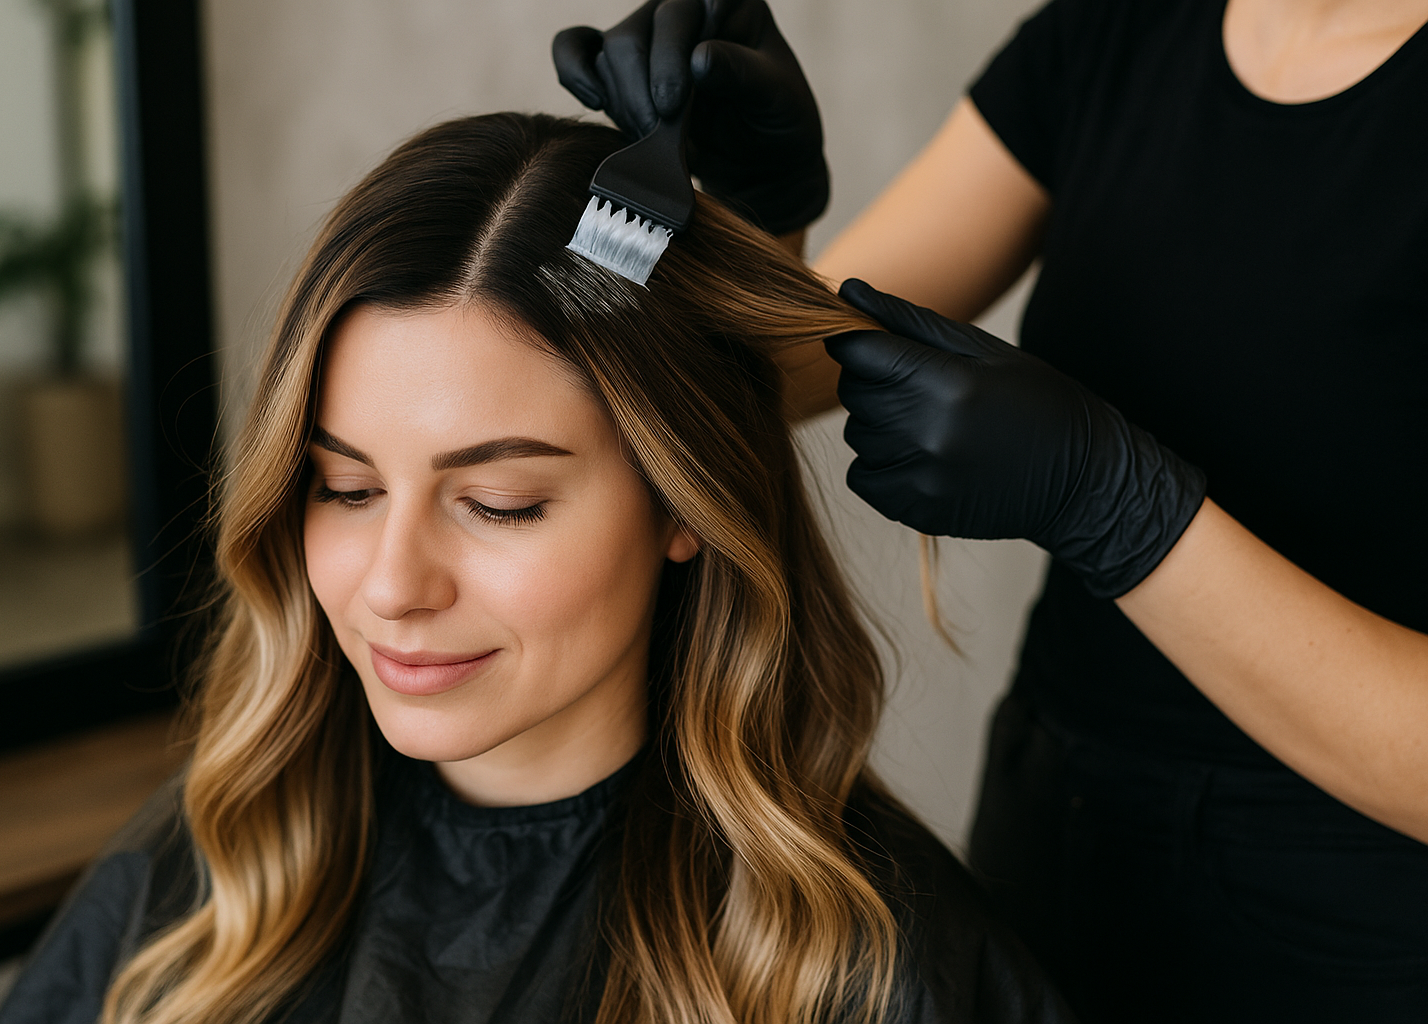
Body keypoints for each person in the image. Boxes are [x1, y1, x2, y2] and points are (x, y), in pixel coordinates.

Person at [0, 113, 1075, 1024]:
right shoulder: (218, 868)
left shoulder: (872, 964)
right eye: (346, 488)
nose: (392, 584)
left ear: (681, 505)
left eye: (497, 503)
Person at [552, 0, 1428, 1021]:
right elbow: (780, 374)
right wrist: (760, 215)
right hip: (1060, 824)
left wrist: (1119, 509)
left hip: (1361, 917)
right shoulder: (1121, 33)